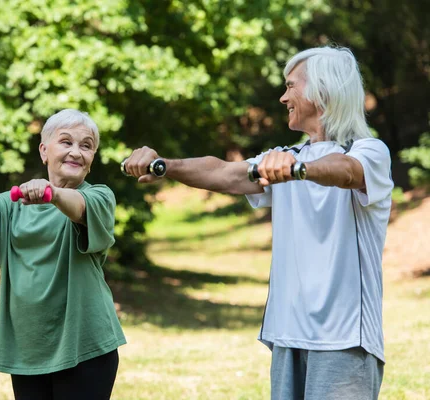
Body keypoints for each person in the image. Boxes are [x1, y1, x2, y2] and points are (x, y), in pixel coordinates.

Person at [123, 46, 393, 399]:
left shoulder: (368, 152)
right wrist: (165, 166)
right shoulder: (287, 158)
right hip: (287, 336)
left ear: (323, 90)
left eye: (291, 86)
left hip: (343, 339)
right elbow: (222, 171)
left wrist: (298, 171)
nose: (283, 97)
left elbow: (346, 173)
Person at [0, 109, 126, 400]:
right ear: (44, 151)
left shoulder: (99, 197)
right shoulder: (12, 205)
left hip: (85, 345)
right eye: (66, 142)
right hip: (29, 349)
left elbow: (78, 207)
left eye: (86, 145)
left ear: (92, 160)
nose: (76, 152)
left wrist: (52, 194)